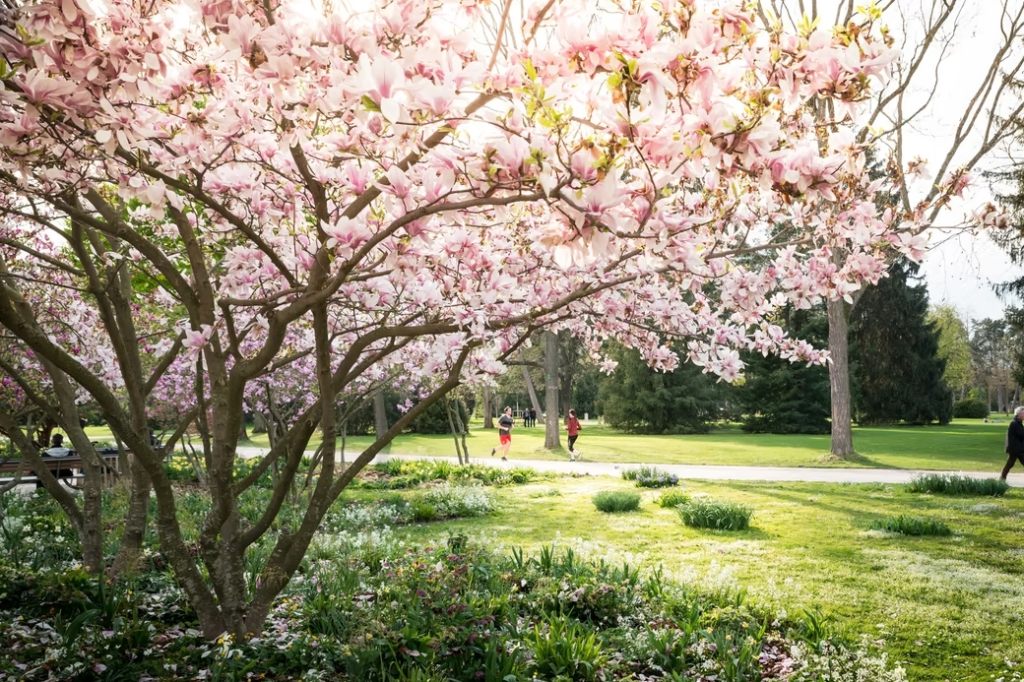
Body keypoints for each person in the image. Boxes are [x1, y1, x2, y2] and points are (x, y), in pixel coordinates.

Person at [1001, 406, 1024, 480]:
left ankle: (1002, 478)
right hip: (1016, 449)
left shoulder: (1019, 423)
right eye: (1023, 413)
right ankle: (1002, 478)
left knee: (1009, 464)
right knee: (1010, 464)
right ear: (1018, 414)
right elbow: (1021, 434)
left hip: (1018, 449)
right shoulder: (1014, 423)